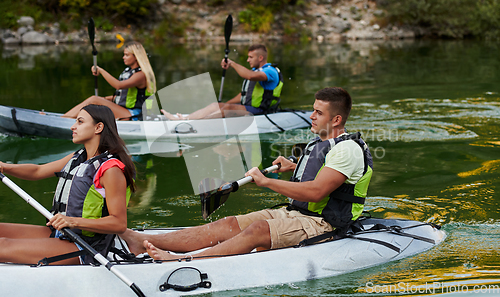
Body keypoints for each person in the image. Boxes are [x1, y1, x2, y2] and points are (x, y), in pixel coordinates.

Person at [121, 87, 373, 260]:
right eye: (313, 109)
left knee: (258, 230)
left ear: (337, 119)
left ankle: (181, 260)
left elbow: (318, 192)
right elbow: (321, 175)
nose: (311, 116)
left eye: (319, 112)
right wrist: (293, 167)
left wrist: (268, 182)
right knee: (229, 224)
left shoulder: (347, 149)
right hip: (297, 212)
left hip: (324, 223)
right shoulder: (321, 143)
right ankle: (142, 241)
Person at [0, 104, 136, 264]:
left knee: (2, 246)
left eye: (80, 122)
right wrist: (4, 166)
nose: (73, 126)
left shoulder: (111, 169)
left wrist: (73, 221)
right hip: (62, 234)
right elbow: (37, 171)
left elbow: (119, 223)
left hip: (85, 246)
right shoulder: (78, 157)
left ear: (98, 127)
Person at [161, 44, 283, 120]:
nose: (247, 60)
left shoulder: (270, 71)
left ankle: (191, 123)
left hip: (262, 111)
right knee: (217, 105)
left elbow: (250, 76)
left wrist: (232, 63)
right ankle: (185, 118)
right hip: (250, 108)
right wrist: (225, 104)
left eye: (250, 57)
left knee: (227, 108)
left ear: (260, 58)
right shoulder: (257, 70)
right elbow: (244, 95)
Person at [63, 42, 156, 120]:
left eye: (127, 55)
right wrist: (103, 99)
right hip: (126, 111)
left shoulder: (141, 75)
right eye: (124, 54)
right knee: (95, 99)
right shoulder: (129, 72)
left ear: (136, 57)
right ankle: (66, 118)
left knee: (93, 99)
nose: (123, 57)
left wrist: (101, 71)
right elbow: (121, 95)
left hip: (136, 114)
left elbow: (118, 85)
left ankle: (64, 120)